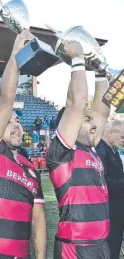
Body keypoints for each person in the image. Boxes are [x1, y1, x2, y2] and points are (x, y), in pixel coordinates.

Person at [0, 30, 47, 259]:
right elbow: (5, 99)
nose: (15, 125)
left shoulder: (31, 169)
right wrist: (16, 54)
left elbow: (38, 219)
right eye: (8, 121)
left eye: (18, 120)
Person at [46, 40, 110, 259]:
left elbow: (102, 111)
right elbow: (76, 103)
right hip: (75, 247)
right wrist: (78, 59)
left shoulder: (90, 148)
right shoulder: (63, 152)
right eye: (86, 119)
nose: (94, 124)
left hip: (101, 244)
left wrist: (101, 72)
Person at [96, 120, 124, 259]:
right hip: (109, 211)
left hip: (117, 209)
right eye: (122, 137)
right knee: (111, 248)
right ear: (111, 133)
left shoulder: (113, 150)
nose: (123, 141)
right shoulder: (101, 150)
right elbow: (102, 181)